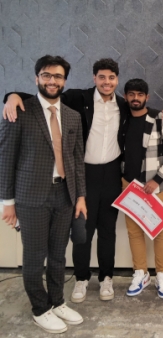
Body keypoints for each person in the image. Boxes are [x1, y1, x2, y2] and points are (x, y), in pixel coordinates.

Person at [2, 59, 163, 304]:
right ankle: (81, 278)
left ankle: (106, 278)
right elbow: (43, 96)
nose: (106, 82)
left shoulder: (124, 105)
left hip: (113, 174)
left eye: (111, 78)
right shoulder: (77, 98)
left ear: (116, 80)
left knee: (107, 230)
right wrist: (11, 95)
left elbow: (143, 109)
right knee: (82, 229)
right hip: (83, 173)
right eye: (102, 77)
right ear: (94, 78)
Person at [0, 55, 87, 334]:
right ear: (37, 78)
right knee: (35, 256)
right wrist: (7, 203)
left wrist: (81, 196)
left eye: (58, 76)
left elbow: (76, 160)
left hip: (64, 195)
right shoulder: (20, 110)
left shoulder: (73, 116)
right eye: (47, 75)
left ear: (65, 80)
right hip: (30, 197)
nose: (52, 81)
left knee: (59, 255)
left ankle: (58, 300)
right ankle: (40, 308)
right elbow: (5, 158)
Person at [119, 79, 163, 299]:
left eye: (140, 94)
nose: (135, 98)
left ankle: (162, 276)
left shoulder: (159, 119)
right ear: (125, 96)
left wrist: (156, 179)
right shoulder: (121, 118)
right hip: (129, 186)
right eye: (131, 94)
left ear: (147, 97)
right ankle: (141, 274)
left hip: (156, 186)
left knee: (159, 232)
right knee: (134, 233)